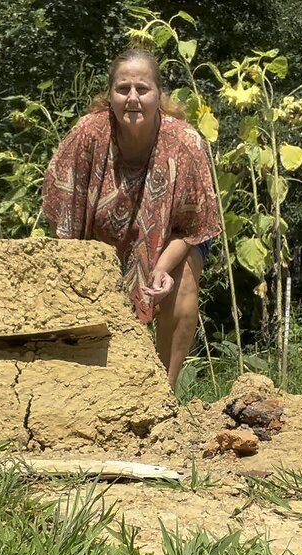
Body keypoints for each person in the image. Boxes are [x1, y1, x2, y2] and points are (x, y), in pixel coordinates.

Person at [42, 48, 222, 389]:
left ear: (159, 95)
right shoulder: (88, 135)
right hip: (98, 243)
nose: (133, 98)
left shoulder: (185, 143)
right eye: (123, 89)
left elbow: (193, 228)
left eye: (143, 89)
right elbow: (63, 205)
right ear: (110, 95)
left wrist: (161, 267)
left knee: (181, 281)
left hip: (171, 243)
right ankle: (92, 385)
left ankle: (163, 393)